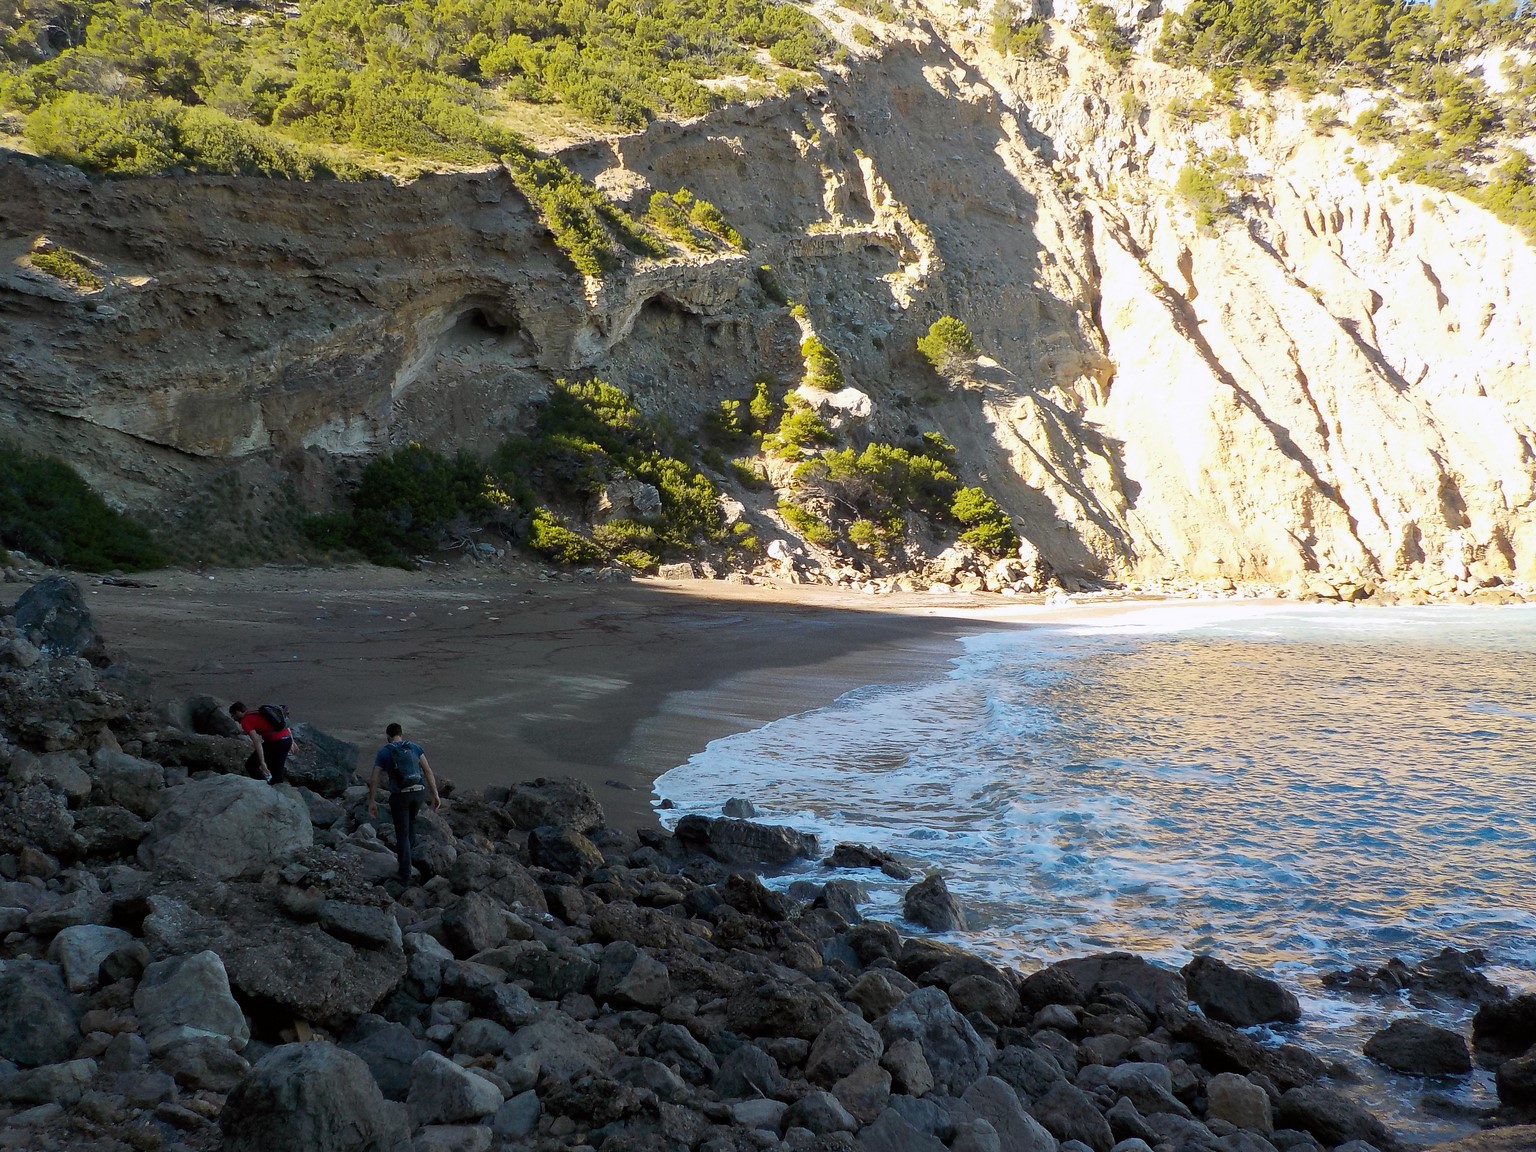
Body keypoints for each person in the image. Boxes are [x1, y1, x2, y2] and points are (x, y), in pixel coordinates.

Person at [367, 723, 441, 885]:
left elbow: (375, 777)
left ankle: (404, 872)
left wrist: (372, 800)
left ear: (387, 736)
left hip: (401, 796)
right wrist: (435, 794)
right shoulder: (414, 747)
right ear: (401, 734)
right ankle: (408, 861)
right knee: (411, 825)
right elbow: (427, 770)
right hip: (419, 792)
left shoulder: (384, 752)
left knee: (402, 834)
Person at [229, 702, 296, 784]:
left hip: (276, 742)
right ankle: (277, 787)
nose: (234, 719)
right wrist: (292, 741)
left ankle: (264, 786)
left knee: (251, 765)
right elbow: (282, 724)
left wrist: (262, 762)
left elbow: (256, 741)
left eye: (233, 715)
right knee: (277, 770)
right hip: (286, 740)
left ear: (237, 712)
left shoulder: (245, 721)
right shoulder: (256, 712)